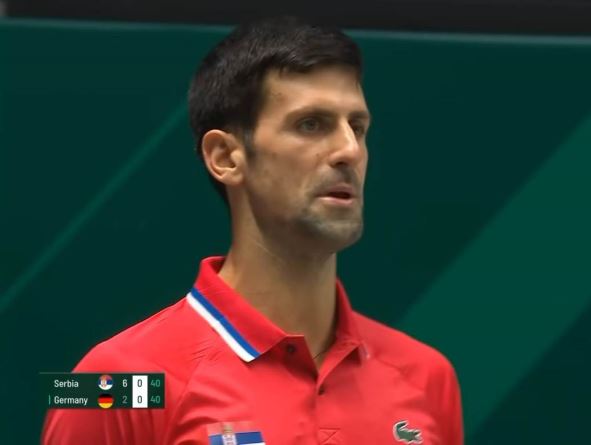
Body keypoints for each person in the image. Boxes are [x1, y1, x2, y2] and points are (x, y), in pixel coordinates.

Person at [42, 16, 463, 445]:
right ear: (225, 156)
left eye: (357, 127)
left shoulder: (427, 376)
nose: (349, 150)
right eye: (311, 124)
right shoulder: (112, 381)